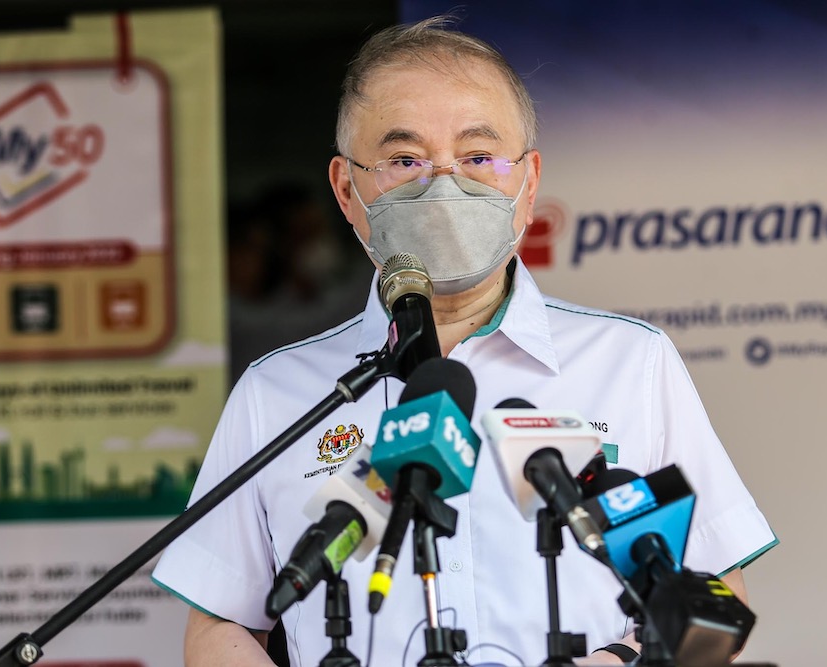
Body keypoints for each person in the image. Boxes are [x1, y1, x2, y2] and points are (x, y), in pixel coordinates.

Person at [152, 16, 776, 667]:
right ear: (346, 190)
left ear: (528, 183)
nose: (445, 185)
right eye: (404, 160)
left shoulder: (632, 364)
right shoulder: (276, 393)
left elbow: (713, 589)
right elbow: (222, 624)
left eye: (478, 157)